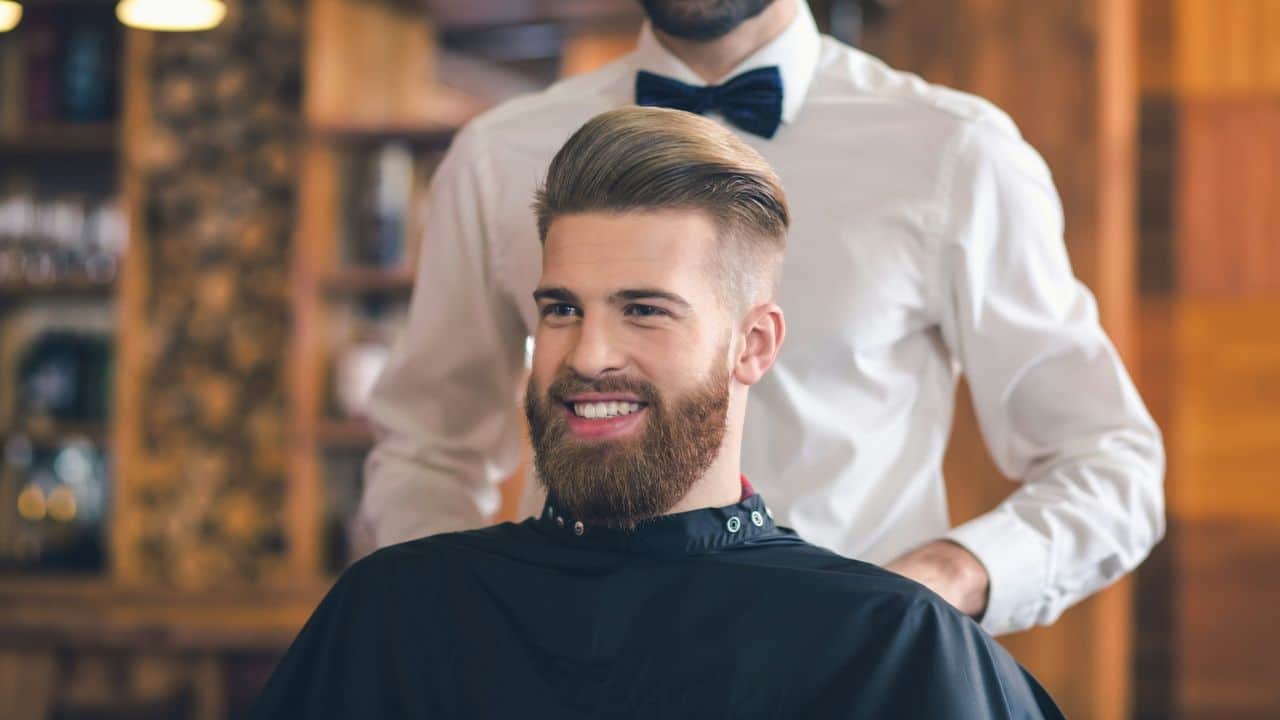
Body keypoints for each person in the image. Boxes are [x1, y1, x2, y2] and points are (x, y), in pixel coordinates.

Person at [357, 0, 1165, 635]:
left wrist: (939, 582)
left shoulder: (956, 153)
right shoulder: (499, 156)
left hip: (848, 677)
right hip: (574, 669)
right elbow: (427, 447)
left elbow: (1108, 465)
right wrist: (456, 623)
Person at [254, 108, 1064, 719]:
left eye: (644, 311)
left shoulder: (894, 645)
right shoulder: (395, 611)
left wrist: (959, 569)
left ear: (753, 345)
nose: (586, 354)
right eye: (562, 309)